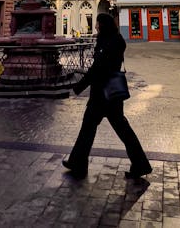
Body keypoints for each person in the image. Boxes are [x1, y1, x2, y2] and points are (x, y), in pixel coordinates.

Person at [63, 13, 152, 180]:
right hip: (109, 95)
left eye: (97, 23)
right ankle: (140, 164)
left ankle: (79, 163)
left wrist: (78, 88)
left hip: (104, 95)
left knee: (100, 128)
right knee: (102, 128)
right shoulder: (112, 40)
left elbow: (97, 69)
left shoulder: (110, 42)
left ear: (103, 24)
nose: (95, 26)